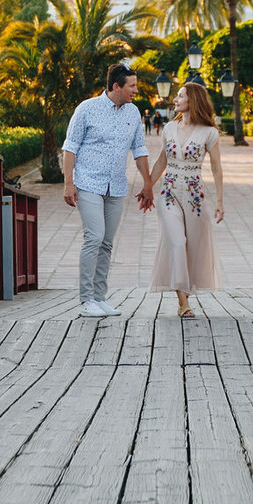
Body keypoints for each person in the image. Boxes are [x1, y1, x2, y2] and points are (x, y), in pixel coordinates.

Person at [60, 65, 154, 317]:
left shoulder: (133, 113)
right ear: (116, 87)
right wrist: (68, 183)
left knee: (107, 242)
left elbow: (140, 149)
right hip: (88, 183)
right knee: (94, 236)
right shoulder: (86, 109)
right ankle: (86, 299)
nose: (136, 90)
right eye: (132, 86)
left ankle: (100, 298)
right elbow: (70, 147)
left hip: (116, 186)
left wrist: (148, 183)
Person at [144, 81, 224, 318]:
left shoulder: (209, 132)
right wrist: (148, 186)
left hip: (195, 196)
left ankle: (184, 298)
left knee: (193, 247)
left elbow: (217, 169)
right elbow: (161, 161)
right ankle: (183, 303)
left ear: (193, 101)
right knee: (177, 242)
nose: (175, 100)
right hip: (168, 193)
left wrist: (220, 202)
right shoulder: (169, 128)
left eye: (180, 96)